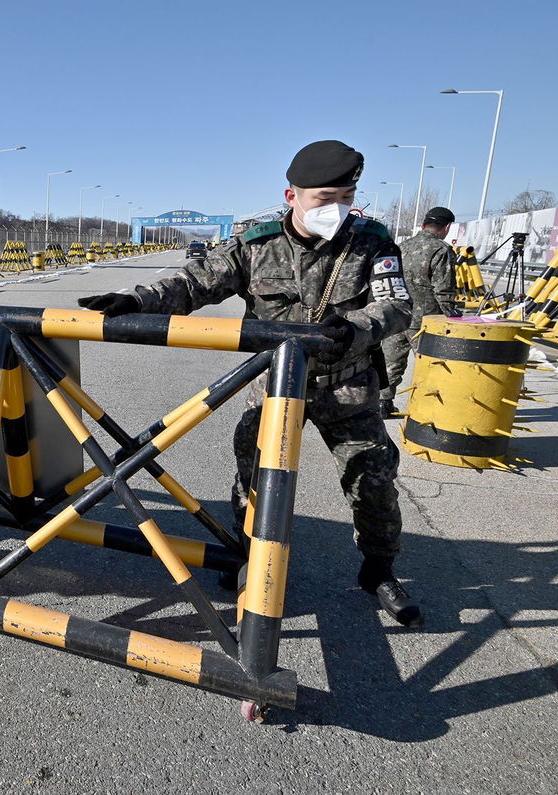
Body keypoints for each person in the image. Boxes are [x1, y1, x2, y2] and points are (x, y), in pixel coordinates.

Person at [77, 140, 424, 628]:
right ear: (291, 196)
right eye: (324, 199)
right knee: (254, 478)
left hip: (347, 385)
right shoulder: (257, 246)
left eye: (346, 197)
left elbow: (397, 306)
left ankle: (379, 570)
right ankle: (246, 558)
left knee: (374, 480)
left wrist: (356, 329)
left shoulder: (372, 243)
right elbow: (195, 283)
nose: (337, 209)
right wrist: (136, 302)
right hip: (276, 387)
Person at [380, 206, 461, 416]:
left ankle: (383, 404)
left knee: (391, 361)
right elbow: (443, 287)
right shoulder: (440, 250)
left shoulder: (401, 246)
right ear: (447, 227)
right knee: (432, 364)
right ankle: (428, 409)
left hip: (397, 314)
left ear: (424, 224)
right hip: (426, 319)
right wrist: (451, 313)